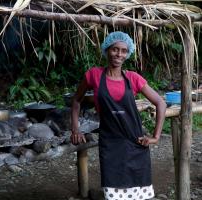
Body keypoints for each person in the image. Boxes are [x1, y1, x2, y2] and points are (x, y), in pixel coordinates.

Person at [70, 31, 166, 200]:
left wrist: (156, 137)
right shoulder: (94, 75)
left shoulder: (133, 78)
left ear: (127, 54)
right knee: (113, 192)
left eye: (123, 50)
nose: (118, 54)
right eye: (115, 49)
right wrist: (75, 129)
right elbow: (77, 101)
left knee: (138, 193)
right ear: (107, 49)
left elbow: (160, 102)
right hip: (110, 142)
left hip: (135, 141)